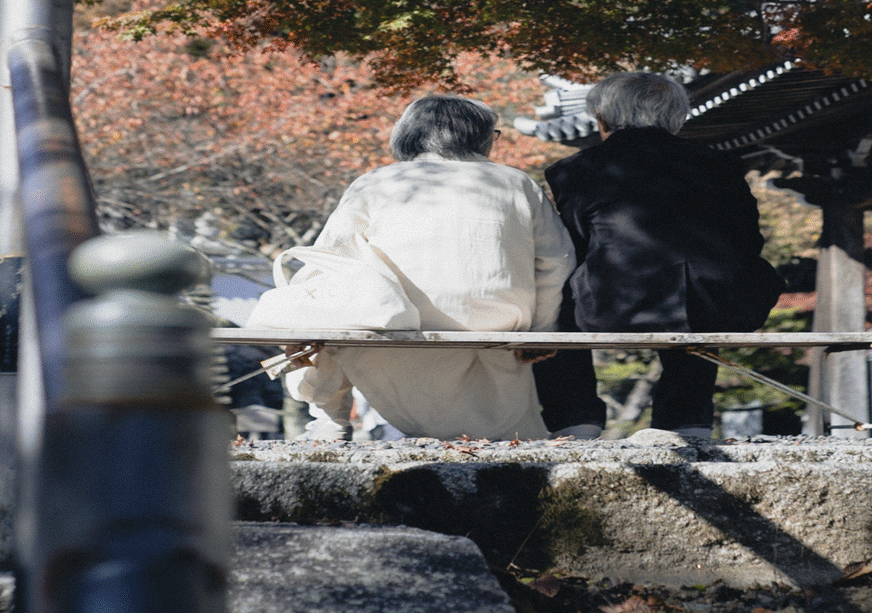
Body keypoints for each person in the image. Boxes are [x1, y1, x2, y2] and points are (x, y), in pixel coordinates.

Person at [279, 95, 576, 441]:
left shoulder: (378, 182)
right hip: (497, 328)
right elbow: (558, 260)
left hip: (395, 326)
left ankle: (332, 419)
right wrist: (541, 329)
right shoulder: (517, 182)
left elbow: (330, 257)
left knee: (318, 305)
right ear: (479, 136)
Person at [533, 71, 784, 440]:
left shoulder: (576, 170)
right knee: (699, 301)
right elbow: (747, 237)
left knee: (555, 308)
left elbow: (573, 246)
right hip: (718, 301)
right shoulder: (721, 164)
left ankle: (576, 419)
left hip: (615, 303)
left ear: (601, 118)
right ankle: (687, 421)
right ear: (676, 118)